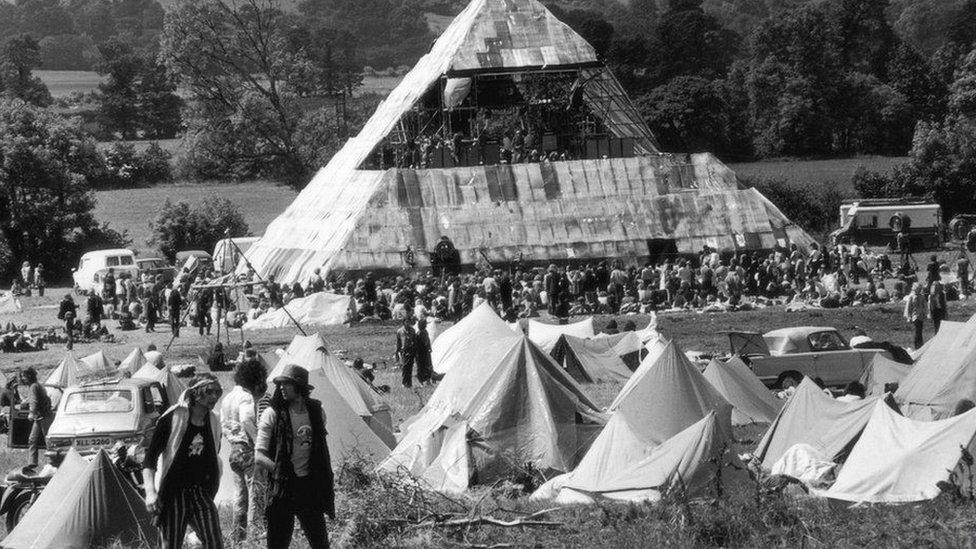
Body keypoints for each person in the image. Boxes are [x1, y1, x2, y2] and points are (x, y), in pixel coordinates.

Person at [255, 365, 335, 549]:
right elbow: (259, 457)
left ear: (299, 387)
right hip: (282, 488)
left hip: (308, 486)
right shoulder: (272, 414)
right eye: (280, 384)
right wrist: (281, 471)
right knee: (277, 543)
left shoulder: (316, 412)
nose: (281, 387)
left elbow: (319, 448)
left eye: (287, 384)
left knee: (320, 542)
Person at [143, 374, 224, 549]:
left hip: (200, 492)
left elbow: (213, 457)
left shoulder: (214, 421)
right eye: (209, 391)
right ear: (195, 393)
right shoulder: (172, 418)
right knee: (170, 545)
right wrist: (150, 492)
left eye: (218, 392)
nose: (214, 397)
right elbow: (149, 460)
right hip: (174, 493)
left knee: (215, 542)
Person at [221, 359, 267, 544]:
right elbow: (247, 418)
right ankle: (255, 537)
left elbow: (224, 425)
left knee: (240, 497)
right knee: (256, 494)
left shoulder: (227, 398)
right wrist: (258, 443)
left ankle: (238, 538)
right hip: (248, 450)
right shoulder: (246, 397)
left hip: (233, 451)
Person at [16, 368, 51, 467]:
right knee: (32, 439)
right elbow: (33, 398)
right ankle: (32, 463)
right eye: (22, 376)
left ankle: (53, 461)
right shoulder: (35, 386)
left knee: (48, 440)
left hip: (44, 416)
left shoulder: (33, 387)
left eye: (25, 376)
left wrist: (31, 412)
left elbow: (34, 401)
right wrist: (25, 401)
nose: (23, 378)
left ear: (30, 376)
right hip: (40, 417)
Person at [904, 282, 928, 349]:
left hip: (921, 316)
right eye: (918, 289)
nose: (919, 290)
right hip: (914, 316)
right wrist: (908, 317)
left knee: (920, 331)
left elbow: (925, 306)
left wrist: (926, 313)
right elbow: (908, 307)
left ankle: (920, 344)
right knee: (917, 330)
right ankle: (917, 345)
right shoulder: (911, 296)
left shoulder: (922, 296)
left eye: (920, 289)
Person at [395, 318, 418, 388]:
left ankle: (409, 383)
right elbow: (398, 342)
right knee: (405, 367)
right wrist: (397, 352)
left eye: (409, 322)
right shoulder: (400, 331)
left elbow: (414, 340)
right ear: (404, 322)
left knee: (410, 367)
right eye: (407, 322)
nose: (408, 323)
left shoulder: (412, 330)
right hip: (404, 351)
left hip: (411, 350)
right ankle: (404, 382)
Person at [415, 317, 433, 385]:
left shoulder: (425, 332)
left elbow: (428, 340)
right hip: (420, 353)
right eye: (424, 324)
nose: (426, 325)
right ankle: (421, 382)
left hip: (426, 352)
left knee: (428, 366)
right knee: (421, 367)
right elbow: (417, 345)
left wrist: (429, 347)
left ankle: (428, 381)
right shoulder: (418, 334)